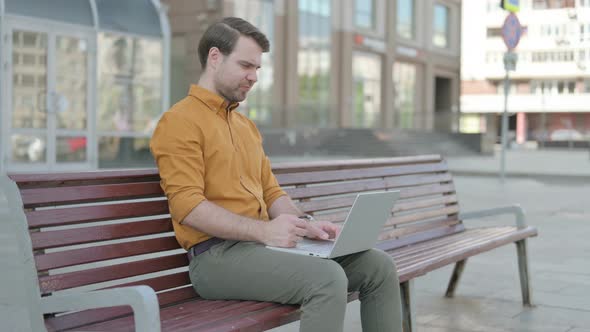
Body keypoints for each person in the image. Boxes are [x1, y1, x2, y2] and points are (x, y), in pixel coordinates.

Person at [150, 17, 402, 332]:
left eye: (257, 68)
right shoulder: (179, 122)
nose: (253, 77)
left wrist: (307, 226)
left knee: (378, 265)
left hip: (259, 249)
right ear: (215, 57)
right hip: (215, 258)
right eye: (246, 65)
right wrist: (265, 232)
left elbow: (271, 193)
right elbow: (186, 206)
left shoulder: (245, 126)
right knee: (326, 279)